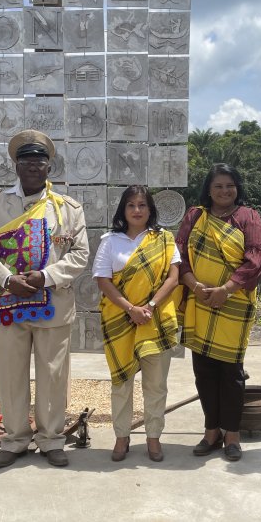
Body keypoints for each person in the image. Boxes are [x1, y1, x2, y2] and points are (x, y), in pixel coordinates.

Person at [0, 129, 89, 469]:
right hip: (9, 304)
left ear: (49, 166)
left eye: (39, 160)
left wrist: (46, 277)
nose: (33, 166)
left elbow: (80, 255)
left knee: (53, 374)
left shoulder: (68, 209)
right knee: (10, 375)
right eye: (26, 160)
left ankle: (52, 439)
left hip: (53, 302)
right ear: (16, 165)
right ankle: (15, 439)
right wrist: (6, 280)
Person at [176, 164, 261, 462]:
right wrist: (193, 285)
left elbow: (257, 258)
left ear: (237, 187)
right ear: (209, 189)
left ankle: (232, 434)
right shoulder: (195, 216)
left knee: (231, 373)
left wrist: (226, 289)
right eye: (218, 186)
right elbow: (178, 255)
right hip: (199, 302)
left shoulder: (248, 217)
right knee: (203, 371)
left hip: (234, 304)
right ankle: (211, 431)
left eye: (230, 185)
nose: (225, 191)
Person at [93, 186, 181, 462]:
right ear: (123, 210)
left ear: (150, 209)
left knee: (156, 385)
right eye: (131, 205)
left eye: (142, 205)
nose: (137, 210)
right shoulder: (110, 240)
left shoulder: (164, 239)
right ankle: (121, 437)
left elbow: (173, 278)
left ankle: (154, 438)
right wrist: (131, 309)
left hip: (154, 320)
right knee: (122, 382)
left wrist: (150, 306)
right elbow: (102, 280)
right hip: (120, 319)